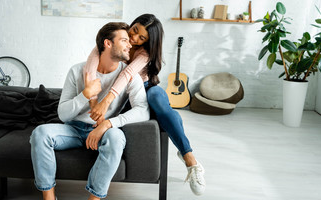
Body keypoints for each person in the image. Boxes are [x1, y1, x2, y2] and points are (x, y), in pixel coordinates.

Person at [85, 14, 206, 196]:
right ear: (132, 24)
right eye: (134, 31)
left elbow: (127, 74)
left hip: (146, 89)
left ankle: (190, 160)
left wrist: (105, 102)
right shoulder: (114, 37)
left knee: (158, 97)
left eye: (142, 38)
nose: (134, 39)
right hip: (125, 97)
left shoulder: (144, 53)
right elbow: (89, 68)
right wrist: (94, 102)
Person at [30, 22, 150, 200]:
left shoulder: (129, 76)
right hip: (73, 129)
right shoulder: (77, 70)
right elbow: (63, 114)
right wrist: (85, 95)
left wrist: (109, 123)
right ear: (108, 43)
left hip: (103, 131)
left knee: (117, 138)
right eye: (124, 40)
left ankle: (94, 198)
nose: (130, 45)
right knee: (40, 133)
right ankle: (49, 198)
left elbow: (143, 110)